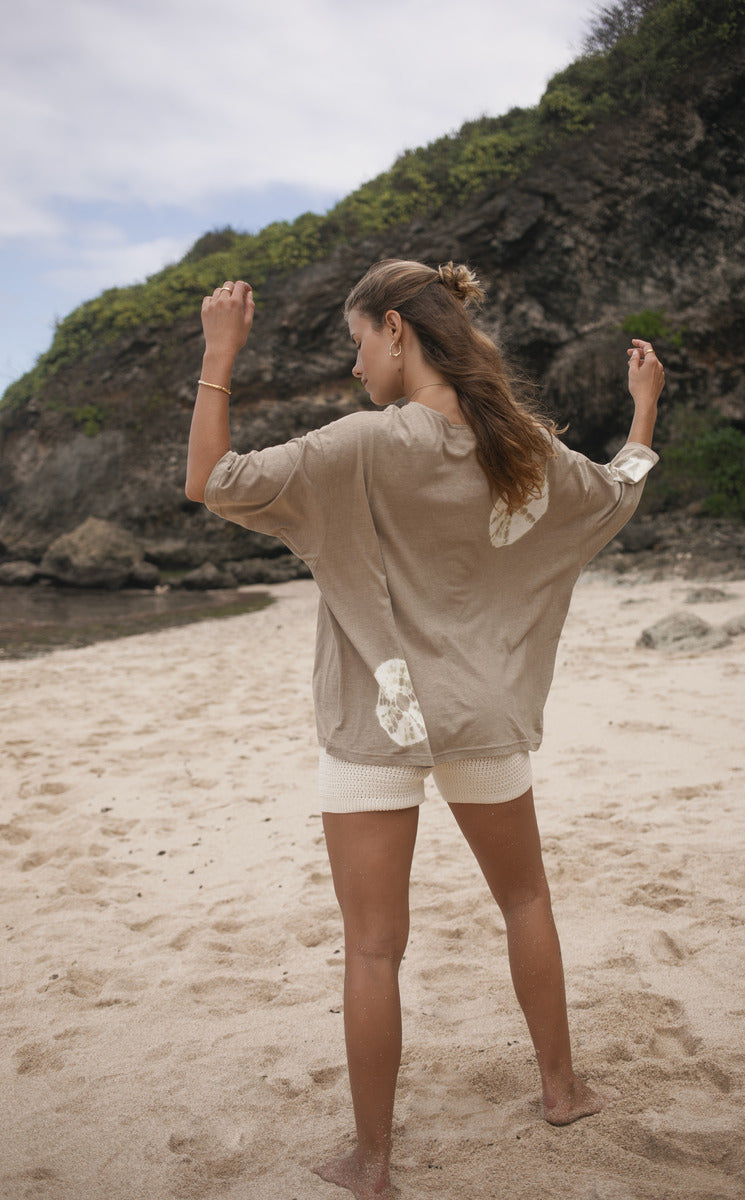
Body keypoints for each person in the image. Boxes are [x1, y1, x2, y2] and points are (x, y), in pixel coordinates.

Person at [185, 260, 664, 1200]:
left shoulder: (359, 444)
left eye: (359, 342)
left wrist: (219, 355)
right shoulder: (517, 445)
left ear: (397, 330)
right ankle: (561, 1090)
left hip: (379, 715)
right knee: (525, 901)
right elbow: (615, 495)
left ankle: (372, 1161)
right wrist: (644, 407)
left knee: (373, 946)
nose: (357, 364)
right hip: (481, 713)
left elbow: (211, 481)